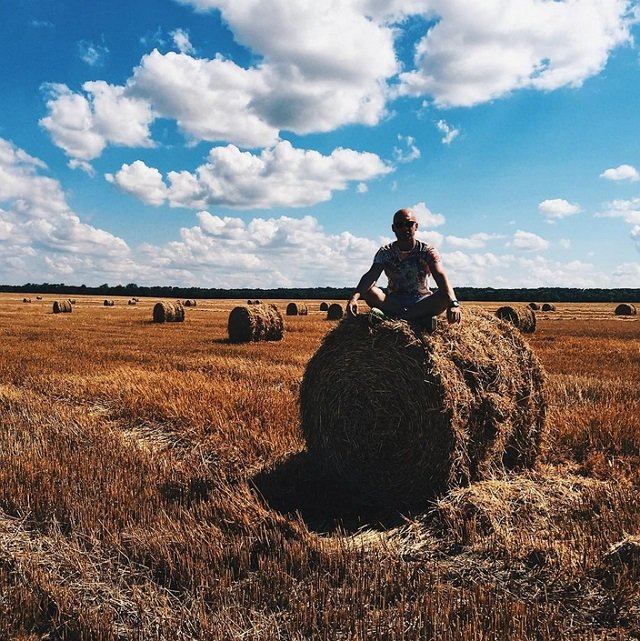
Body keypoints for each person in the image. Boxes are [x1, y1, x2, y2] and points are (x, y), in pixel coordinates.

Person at [347, 208, 461, 324]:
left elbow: (440, 275)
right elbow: (371, 275)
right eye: (399, 225)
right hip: (393, 303)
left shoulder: (427, 251)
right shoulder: (385, 252)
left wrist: (453, 303)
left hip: (422, 302)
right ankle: (417, 319)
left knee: (443, 296)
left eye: (409, 224)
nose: (404, 228)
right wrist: (354, 298)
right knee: (369, 291)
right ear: (393, 228)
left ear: (416, 226)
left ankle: (393, 318)